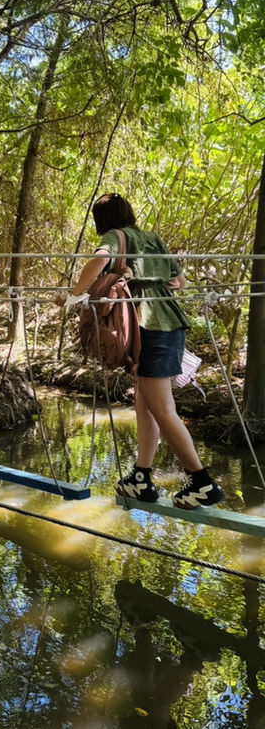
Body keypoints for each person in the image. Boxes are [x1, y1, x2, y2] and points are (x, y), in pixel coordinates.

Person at [64, 193, 224, 510]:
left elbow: (99, 259)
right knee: (145, 405)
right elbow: (179, 281)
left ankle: (202, 482)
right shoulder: (152, 238)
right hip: (171, 325)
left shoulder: (116, 236)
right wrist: (147, 280)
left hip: (149, 330)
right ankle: (141, 477)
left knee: (162, 409)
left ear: (102, 220)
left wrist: (74, 295)